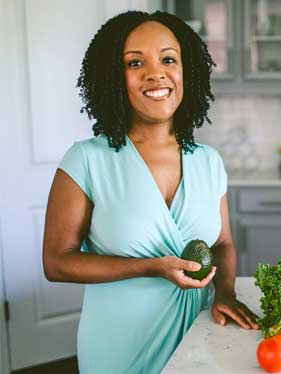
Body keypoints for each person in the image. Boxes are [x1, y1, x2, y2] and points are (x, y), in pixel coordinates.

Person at [42, 10, 258, 373]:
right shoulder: (87, 160)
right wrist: (151, 267)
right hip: (120, 347)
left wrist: (225, 292)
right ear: (114, 77)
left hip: (199, 341)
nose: (155, 73)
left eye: (168, 59)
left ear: (185, 70)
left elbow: (222, 243)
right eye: (135, 62)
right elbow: (57, 261)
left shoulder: (209, 161)